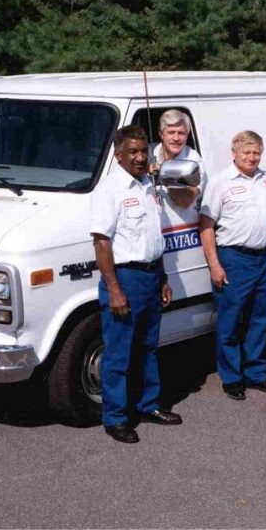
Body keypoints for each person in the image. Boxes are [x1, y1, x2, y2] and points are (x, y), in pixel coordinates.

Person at [89, 125, 182, 444]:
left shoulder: (149, 186)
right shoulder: (110, 190)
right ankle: (115, 417)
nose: (141, 157)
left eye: (144, 151)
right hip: (124, 278)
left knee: (148, 347)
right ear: (118, 155)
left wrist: (164, 277)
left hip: (151, 275)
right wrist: (114, 289)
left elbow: (154, 238)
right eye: (133, 151)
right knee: (119, 352)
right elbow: (102, 244)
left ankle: (148, 405)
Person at [199, 131, 266, 401]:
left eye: (256, 152)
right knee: (230, 322)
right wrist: (214, 265)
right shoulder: (220, 183)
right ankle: (232, 377)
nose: (251, 157)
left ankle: (256, 372)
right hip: (233, 259)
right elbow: (207, 227)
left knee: (261, 319)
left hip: (261, 259)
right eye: (246, 152)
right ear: (233, 153)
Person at [151, 109, 206, 209]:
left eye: (181, 133)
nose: (176, 138)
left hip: (183, 223)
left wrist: (164, 173)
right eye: (171, 132)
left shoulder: (193, 161)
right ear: (161, 134)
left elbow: (185, 201)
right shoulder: (148, 153)